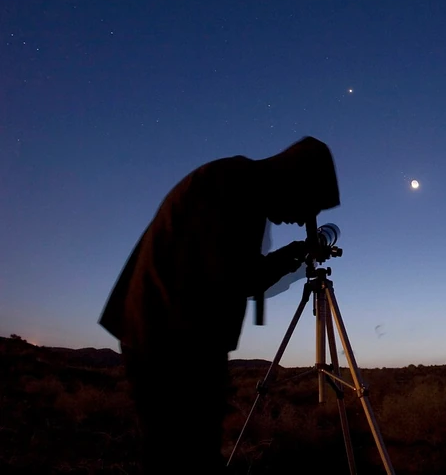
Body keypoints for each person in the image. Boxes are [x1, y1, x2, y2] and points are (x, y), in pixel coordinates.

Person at [99, 136, 340, 474]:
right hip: (172, 342)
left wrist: (294, 253)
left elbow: (232, 272)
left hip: (171, 334)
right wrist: (295, 253)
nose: (302, 220)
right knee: (181, 455)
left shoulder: (237, 182)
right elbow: (240, 276)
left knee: (179, 454)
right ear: (295, 181)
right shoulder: (234, 187)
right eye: (307, 207)